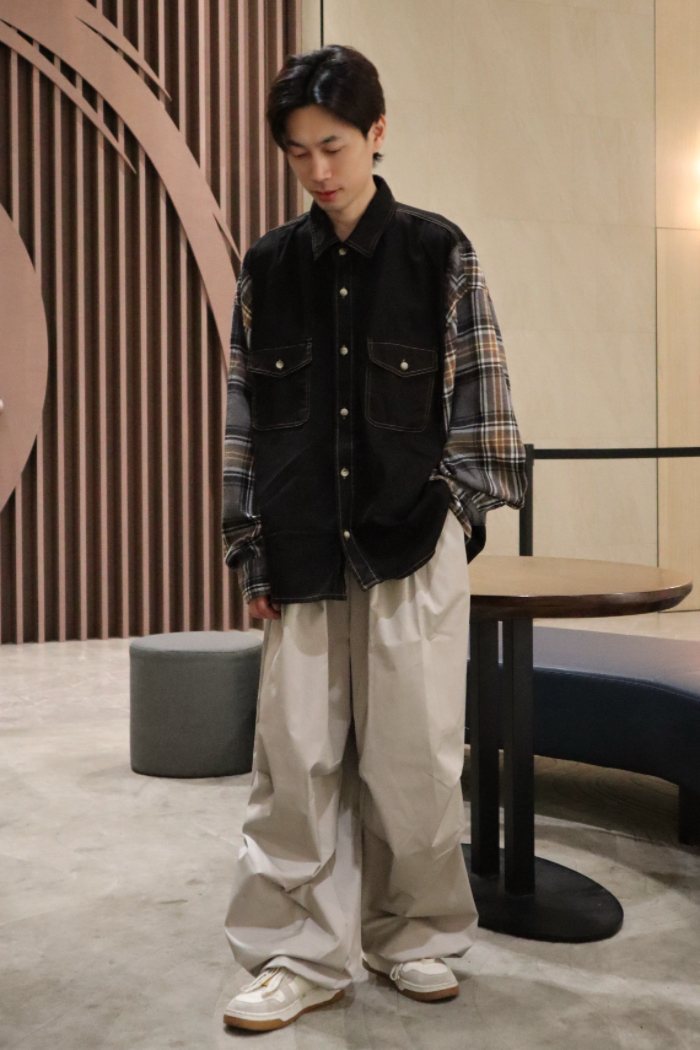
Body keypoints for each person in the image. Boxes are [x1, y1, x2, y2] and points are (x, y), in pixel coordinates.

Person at [221, 44, 526, 1032]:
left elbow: (485, 410)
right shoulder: (268, 268)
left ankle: (414, 934)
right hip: (301, 549)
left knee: (417, 760)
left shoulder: (439, 253)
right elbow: (242, 422)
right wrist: (248, 545)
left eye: (335, 145)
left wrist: (455, 516)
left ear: (377, 133)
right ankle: (298, 953)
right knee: (294, 766)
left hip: (412, 547)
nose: (318, 170)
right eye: (298, 151)